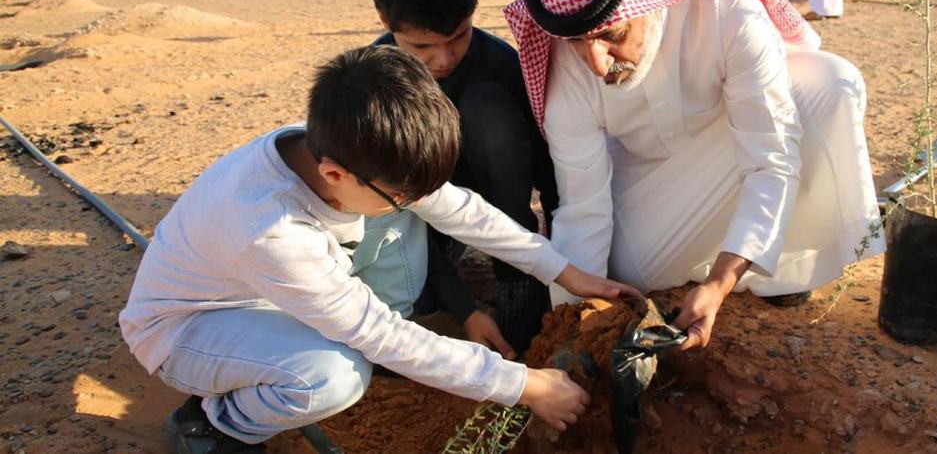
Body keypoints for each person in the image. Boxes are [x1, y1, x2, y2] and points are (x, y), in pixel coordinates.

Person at [119, 45, 639, 453]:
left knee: (397, 229)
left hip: (278, 293)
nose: (414, 201)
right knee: (334, 375)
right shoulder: (270, 231)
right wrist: (524, 385)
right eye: (402, 194)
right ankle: (215, 424)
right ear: (335, 174)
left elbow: (460, 209)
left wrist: (565, 272)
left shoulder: (344, 145)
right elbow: (379, 334)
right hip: (187, 328)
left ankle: (291, 358)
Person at [506, 0, 884, 352]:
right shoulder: (566, 63)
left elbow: (770, 159)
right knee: (624, 272)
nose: (595, 63)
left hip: (735, 145)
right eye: (577, 42)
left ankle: (780, 271)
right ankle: (733, 252)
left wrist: (720, 283)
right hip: (648, 177)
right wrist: (573, 328)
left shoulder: (727, 10)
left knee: (832, 85)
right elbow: (582, 205)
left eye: (611, 36)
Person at [366, 0, 559, 353]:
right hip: (417, 218)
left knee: (489, 107)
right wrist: (461, 307)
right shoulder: (375, 83)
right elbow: (384, 210)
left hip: (502, 208)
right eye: (422, 47)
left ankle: (516, 284)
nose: (444, 59)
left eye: (459, 37)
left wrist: (563, 267)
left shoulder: (503, 65)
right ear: (386, 21)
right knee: (416, 302)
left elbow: (551, 175)